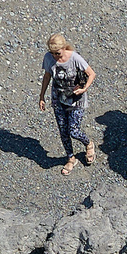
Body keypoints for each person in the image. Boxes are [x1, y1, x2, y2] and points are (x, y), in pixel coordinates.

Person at [37, 34, 96, 174]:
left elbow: (91, 73)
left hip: (77, 100)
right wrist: (41, 96)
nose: (55, 57)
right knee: (63, 131)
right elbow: (47, 76)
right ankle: (71, 158)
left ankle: (88, 143)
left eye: (57, 53)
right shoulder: (48, 58)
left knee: (73, 130)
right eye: (52, 53)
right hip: (58, 99)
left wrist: (84, 88)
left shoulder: (75, 58)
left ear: (64, 48)